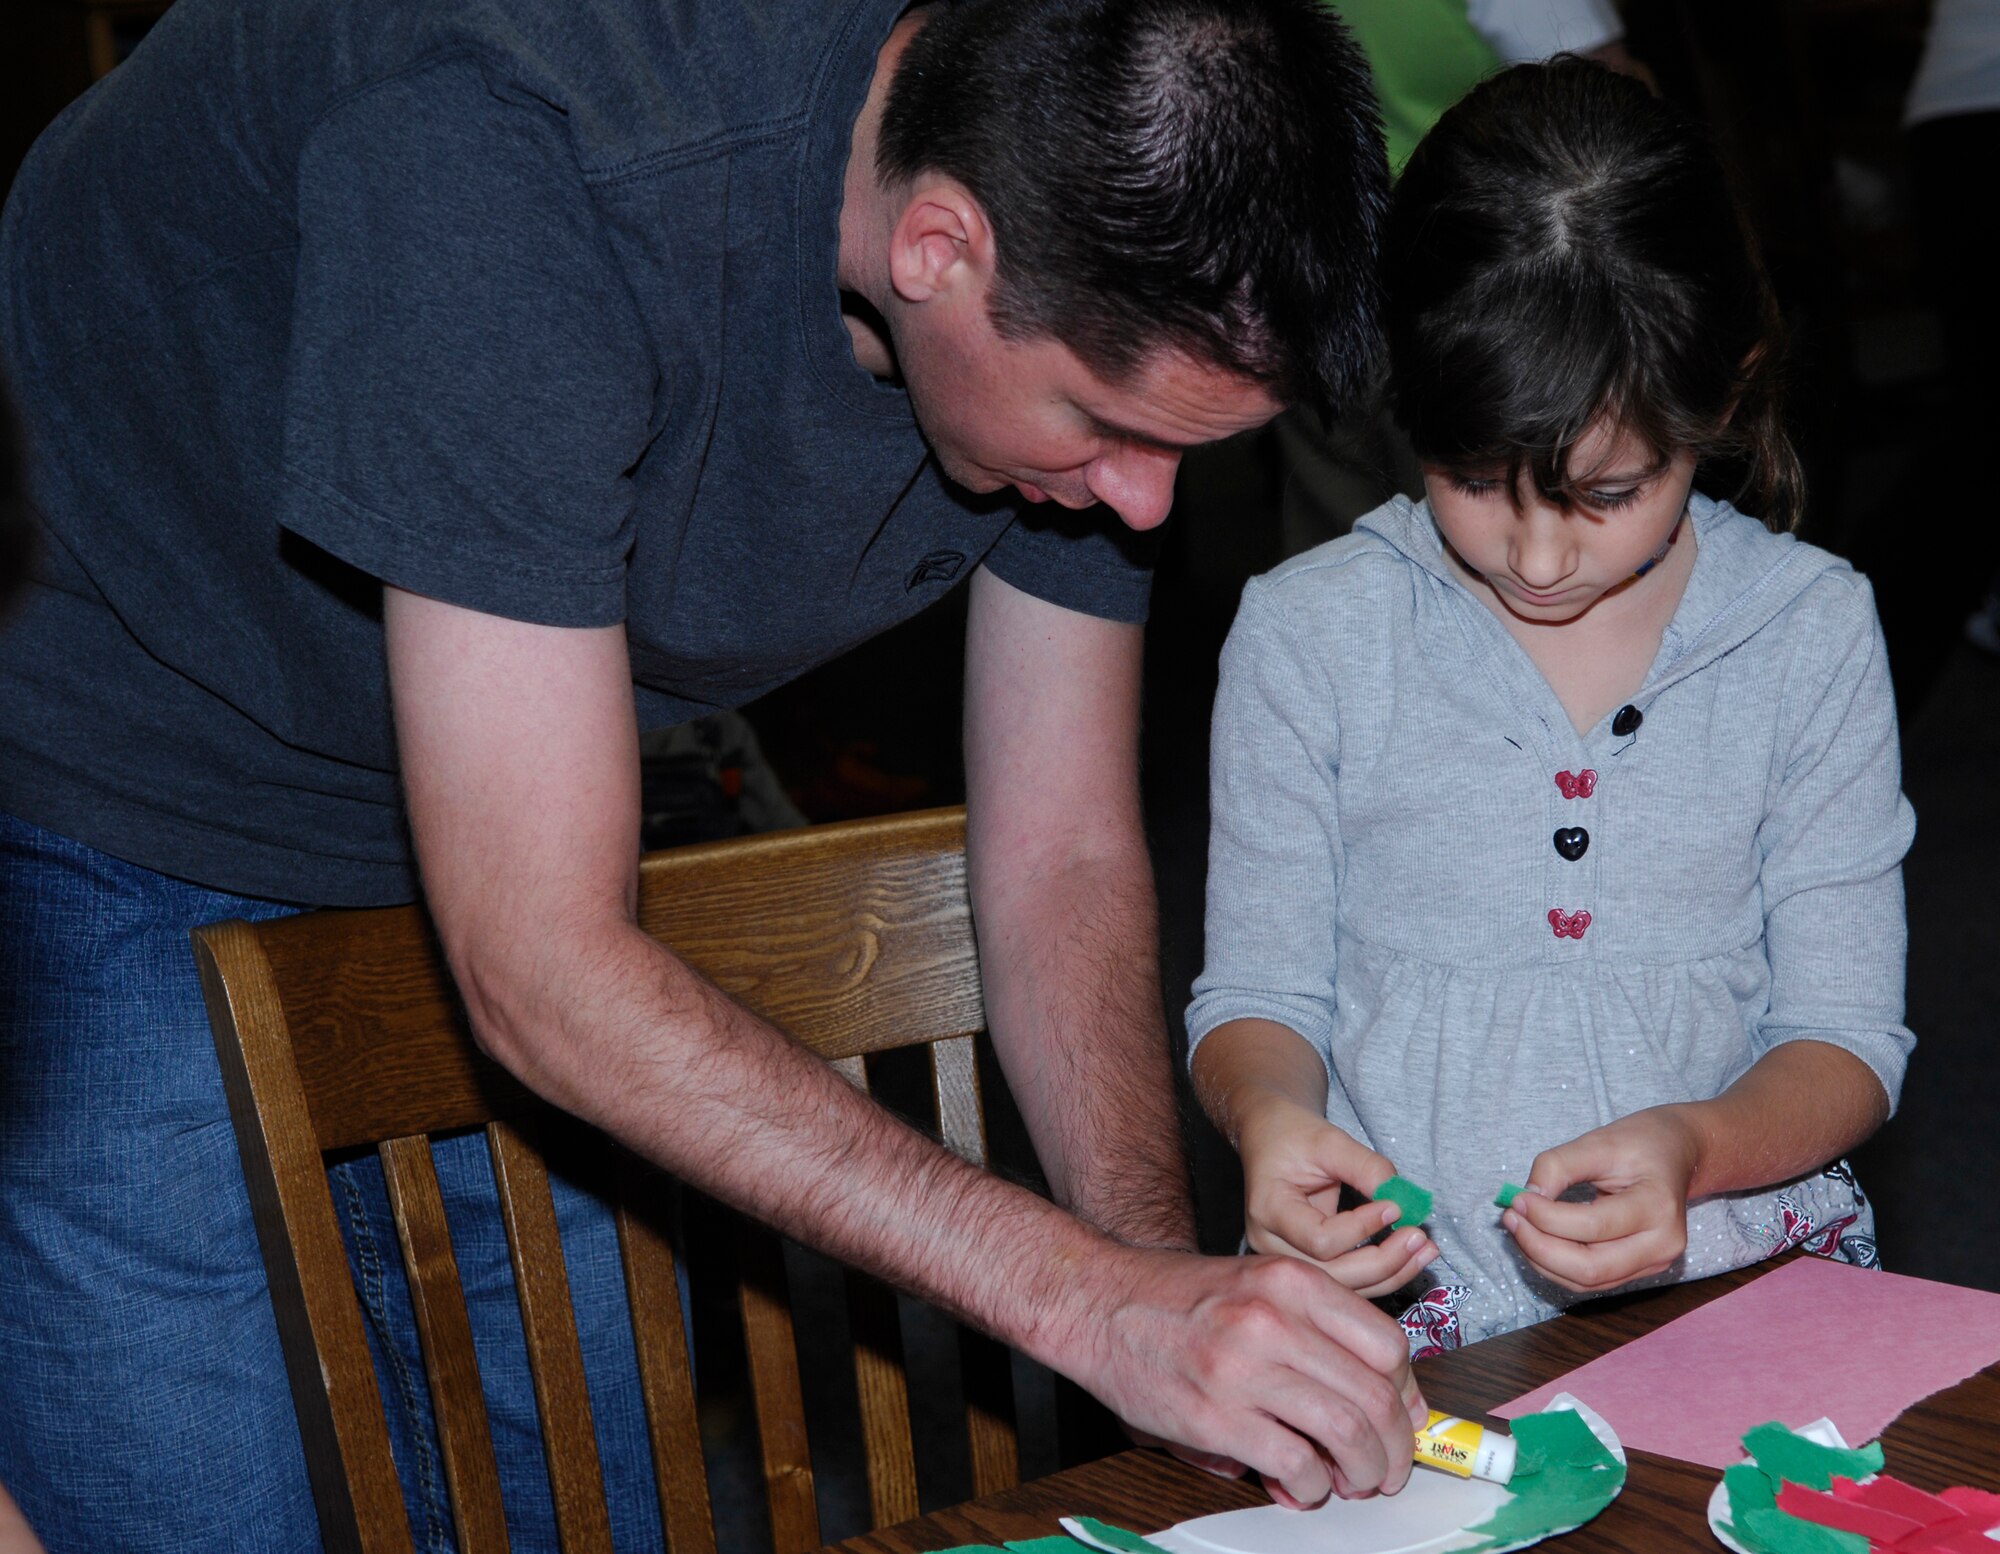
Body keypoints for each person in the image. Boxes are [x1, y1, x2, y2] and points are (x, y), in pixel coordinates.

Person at [0, 0, 1422, 1545]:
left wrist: (1166, 1293)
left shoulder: (1053, 212)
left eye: (1184, 451)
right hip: (107, 751)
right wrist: (1087, 1303)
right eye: (1106, 423)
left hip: (515, 788)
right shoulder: (517, 144)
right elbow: (539, 962)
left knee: (581, 1494)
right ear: (939, 246)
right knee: (201, 1507)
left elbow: (1064, 854)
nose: (1143, 506)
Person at [1187, 57, 1914, 1357]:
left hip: (1728, 1289)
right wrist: (1269, 1118)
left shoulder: (1805, 633)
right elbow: (1258, 991)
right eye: (1475, 477)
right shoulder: (1312, 636)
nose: (1534, 556)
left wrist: (1698, 1146)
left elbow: (1844, 1038)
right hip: (1408, 1320)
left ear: (1726, 390)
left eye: (1605, 493)